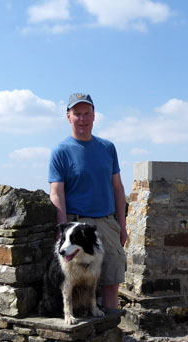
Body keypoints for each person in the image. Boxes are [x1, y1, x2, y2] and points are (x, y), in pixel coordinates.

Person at [48, 92, 127, 310]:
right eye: (77, 114)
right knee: (75, 283)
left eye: (86, 113)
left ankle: (113, 335)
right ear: (68, 116)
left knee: (111, 281)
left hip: (107, 222)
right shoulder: (60, 152)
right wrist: (62, 230)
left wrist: (122, 225)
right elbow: (56, 193)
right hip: (76, 227)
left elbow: (117, 188)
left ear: (94, 116)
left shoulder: (108, 148)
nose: (82, 119)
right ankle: (82, 338)